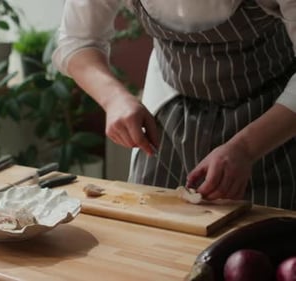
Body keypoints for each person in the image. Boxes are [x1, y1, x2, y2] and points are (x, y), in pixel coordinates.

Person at [52, 0, 296, 209]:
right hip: (167, 116)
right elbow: (77, 40)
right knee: (152, 240)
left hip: (274, 118)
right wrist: (115, 98)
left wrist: (245, 148)